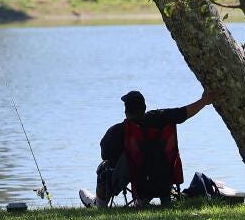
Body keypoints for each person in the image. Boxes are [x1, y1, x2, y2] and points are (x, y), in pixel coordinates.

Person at [80, 88, 216, 208]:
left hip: (140, 182)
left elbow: (105, 154)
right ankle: (163, 199)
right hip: (165, 178)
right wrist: (204, 101)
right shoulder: (162, 118)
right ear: (144, 107)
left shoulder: (119, 131)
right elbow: (184, 112)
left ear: (126, 111)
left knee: (104, 168)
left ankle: (100, 205)